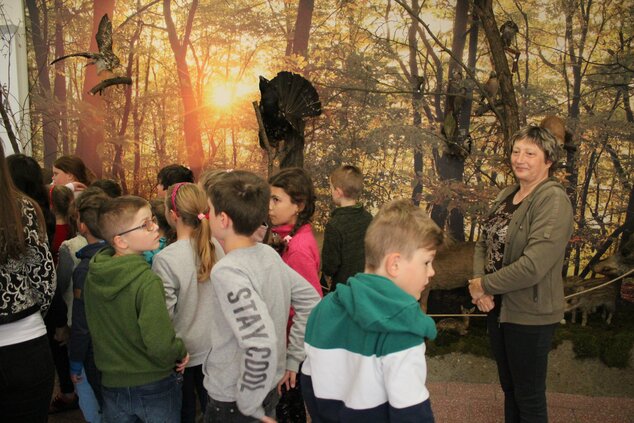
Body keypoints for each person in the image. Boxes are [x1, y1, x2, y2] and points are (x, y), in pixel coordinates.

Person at [301, 199, 442, 422]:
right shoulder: (403, 330)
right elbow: (412, 414)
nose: (431, 271)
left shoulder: (322, 310)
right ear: (394, 264)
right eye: (427, 262)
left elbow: (309, 383)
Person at [468, 125, 574, 423]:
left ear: (548, 160)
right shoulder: (507, 193)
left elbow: (533, 266)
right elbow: (483, 243)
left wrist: (483, 285)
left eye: (530, 153)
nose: (520, 158)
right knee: (511, 389)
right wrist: (481, 288)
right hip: (497, 307)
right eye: (516, 151)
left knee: (528, 396)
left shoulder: (552, 200)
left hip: (530, 313)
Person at [203, 170, 320, 423]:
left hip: (235, 400)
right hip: (266, 389)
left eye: (209, 210)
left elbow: (259, 341)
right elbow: (311, 300)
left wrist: (249, 405)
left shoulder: (228, 270)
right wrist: (291, 359)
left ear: (223, 219)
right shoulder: (268, 254)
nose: (206, 216)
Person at [84, 196, 189, 422]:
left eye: (152, 219)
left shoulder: (94, 276)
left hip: (112, 384)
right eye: (145, 224)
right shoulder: (146, 282)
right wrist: (180, 351)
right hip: (154, 384)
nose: (155, 227)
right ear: (121, 241)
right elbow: (160, 344)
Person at [152, 183, 225, 423]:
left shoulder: (165, 259)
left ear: (173, 215)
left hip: (181, 354)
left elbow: (164, 315)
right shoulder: (218, 248)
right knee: (212, 409)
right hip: (214, 348)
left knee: (184, 412)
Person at [0, 141, 56, 422]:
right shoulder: (24, 208)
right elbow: (44, 279)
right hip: (25, 344)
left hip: (25, 341)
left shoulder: (21, 207)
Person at [268, 167, 323, 422]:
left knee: (289, 410)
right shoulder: (289, 236)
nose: (269, 206)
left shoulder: (298, 248)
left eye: (276, 200)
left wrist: (292, 358)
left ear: (298, 205)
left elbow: (309, 305)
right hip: (290, 344)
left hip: (293, 346)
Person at [68, 189, 110, 423]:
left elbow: (81, 324)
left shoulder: (85, 269)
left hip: (95, 353)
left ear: (82, 226)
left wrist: (74, 362)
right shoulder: (124, 256)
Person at [321, 165, 373, 293]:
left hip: (343, 289)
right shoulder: (368, 218)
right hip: (366, 286)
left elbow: (330, 266)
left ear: (338, 192)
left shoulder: (334, 225)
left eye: (331, 188)